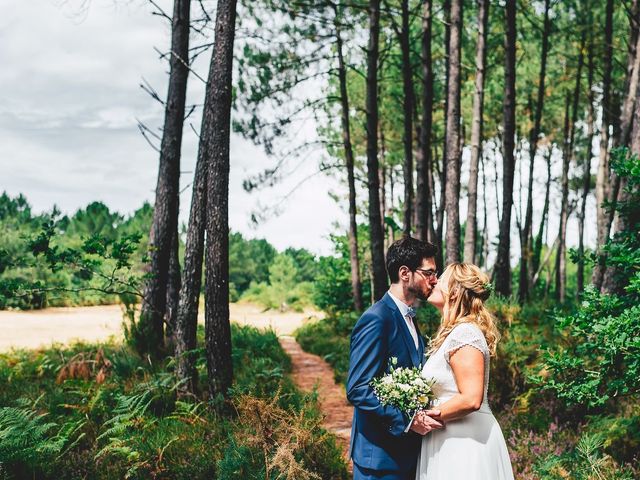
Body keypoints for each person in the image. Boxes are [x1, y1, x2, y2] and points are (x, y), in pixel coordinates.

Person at [347, 236, 443, 480]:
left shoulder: (410, 318)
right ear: (405, 273)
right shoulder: (377, 319)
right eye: (429, 272)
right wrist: (408, 421)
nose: (435, 279)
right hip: (379, 460)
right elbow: (358, 388)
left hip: (406, 456)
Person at [415, 263, 514, 479]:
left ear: (455, 291)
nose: (434, 281)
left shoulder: (465, 333)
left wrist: (425, 417)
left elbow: (471, 398)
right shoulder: (454, 333)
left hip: (465, 443)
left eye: (440, 279)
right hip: (448, 436)